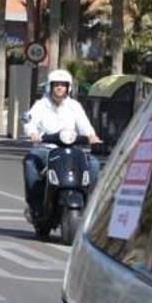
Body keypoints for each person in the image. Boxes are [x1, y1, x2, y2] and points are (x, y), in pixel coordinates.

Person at [23, 69, 102, 220]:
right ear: (50, 87)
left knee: (94, 164)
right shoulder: (41, 105)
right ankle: (35, 203)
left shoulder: (74, 106)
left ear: (68, 87)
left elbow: (84, 124)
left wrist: (92, 135)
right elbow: (30, 121)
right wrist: (33, 133)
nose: (60, 88)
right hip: (47, 149)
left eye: (63, 85)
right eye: (56, 85)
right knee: (30, 161)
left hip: (72, 150)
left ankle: (88, 202)